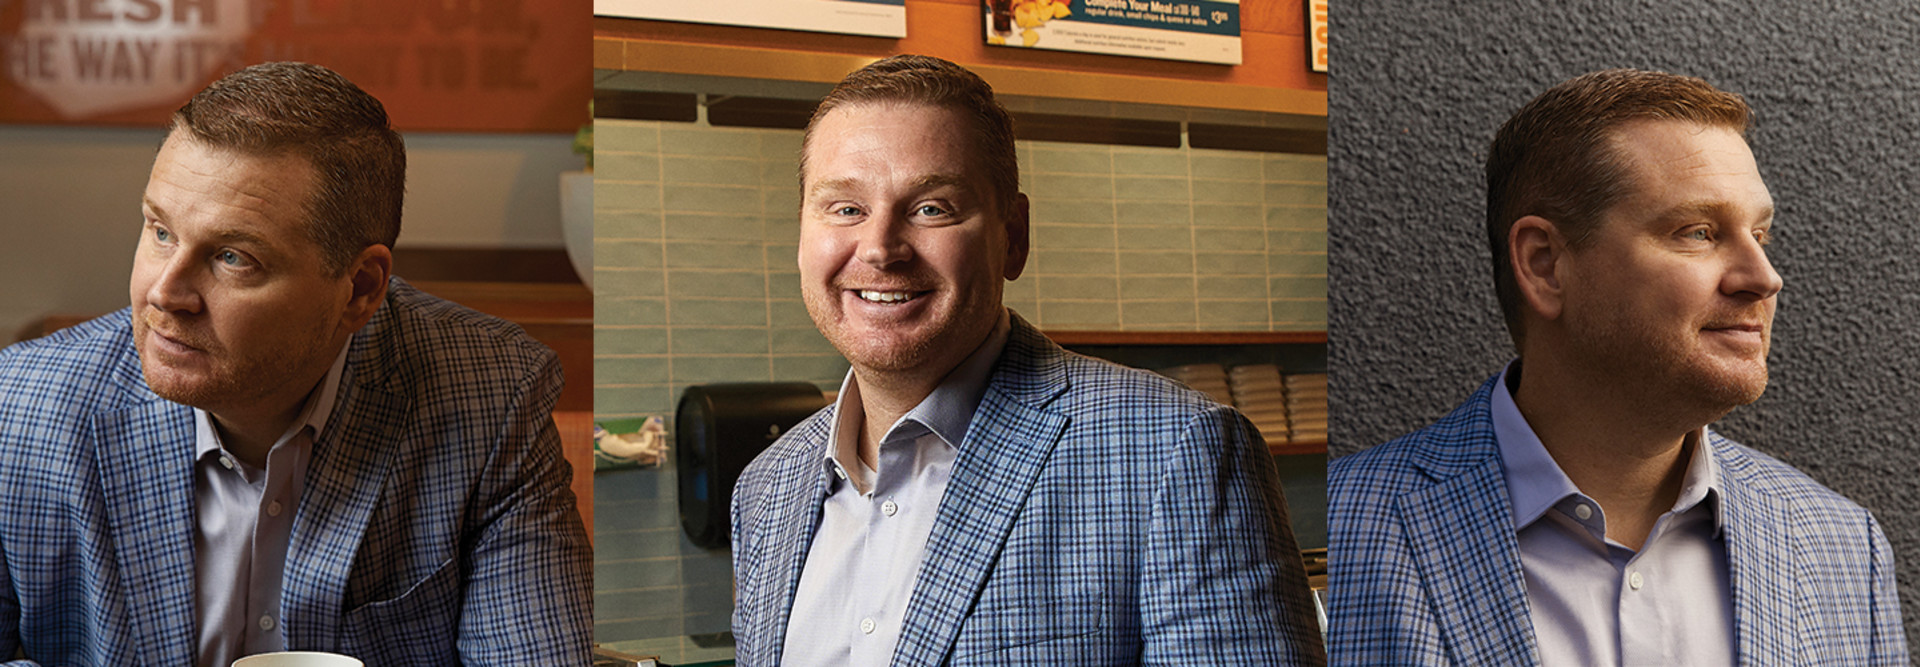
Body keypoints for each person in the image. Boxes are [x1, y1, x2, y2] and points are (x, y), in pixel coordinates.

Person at [727, 54, 1324, 665]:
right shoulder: (767, 488)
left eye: (932, 207)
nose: (880, 249)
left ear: (1013, 236)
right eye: (846, 208)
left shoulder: (1175, 450)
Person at [0, 62, 592, 666]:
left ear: (360, 289)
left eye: (233, 257)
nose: (164, 293)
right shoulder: (18, 406)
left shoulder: (491, 396)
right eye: (160, 232)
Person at [1327, 69, 1906, 665]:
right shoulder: (1343, 531)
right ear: (1545, 264)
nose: (1764, 277)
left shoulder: (1841, 547)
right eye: (1699, 232)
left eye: (1760, 234)